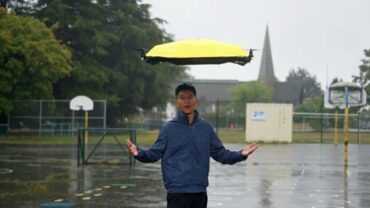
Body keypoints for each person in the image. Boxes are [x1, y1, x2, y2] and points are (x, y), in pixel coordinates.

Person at [127, 82, 259, 208]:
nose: (187, 101)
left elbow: (221, 154)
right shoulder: (168, 129)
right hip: (177, 192)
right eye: (182, 98)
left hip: (199, 192)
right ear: (176, 102)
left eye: (190, 97)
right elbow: (154, 153)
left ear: (196, 101)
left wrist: (240, 154)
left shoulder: (206, 128)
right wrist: (138, 153)